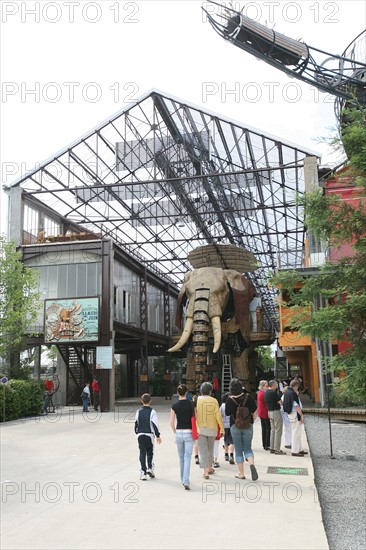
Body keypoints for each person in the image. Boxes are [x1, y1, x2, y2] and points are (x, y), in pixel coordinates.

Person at [225, 378, 258, 481]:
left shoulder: (229, 399)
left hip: (235, 426)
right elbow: (254, 410)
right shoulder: (248, 397)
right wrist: (252, 420)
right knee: (248, 448)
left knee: (238, 450)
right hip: (248, 426)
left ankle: (241, 473)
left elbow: (227, 413)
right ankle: (251, 464)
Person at [196, 382, 224, 480]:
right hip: (212, 429)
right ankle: (209, 467)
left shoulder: (196, 400)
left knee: (203, 450)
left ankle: (205, 472)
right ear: (210, 391)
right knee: (210, 449)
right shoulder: (214, 401)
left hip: (200, 429)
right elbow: (218, 416)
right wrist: (222, 428)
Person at [170, 384, 195, 490]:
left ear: (178, 392)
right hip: (189, 432)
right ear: (186, 392)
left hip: (179, 432)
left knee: (181, 458)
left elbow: (171, 422)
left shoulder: (174, 405)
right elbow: (196, 418)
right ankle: (186, 481)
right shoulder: (192, 404)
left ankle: (182, 479)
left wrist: (175, 432)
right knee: (187, 457)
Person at [134, 393, 162, 480]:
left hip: (140, 434)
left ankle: (143, 472)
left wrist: (136, 432)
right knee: (150, 452)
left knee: (142, 452)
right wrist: (158, 435)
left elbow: (136, 423)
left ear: (141, 401)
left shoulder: (138, 412)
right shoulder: (152, 412)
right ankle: (150, 468)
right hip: (149, 434)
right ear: (150, 401)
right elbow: (154, 424)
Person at [283, 380, 308, 457]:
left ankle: (299, 449)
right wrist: (301, 415)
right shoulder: (293, 393)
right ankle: (295, 451)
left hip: (290, 414)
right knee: (295, 433)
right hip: (294, 414)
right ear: (296, 386)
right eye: (298, 387)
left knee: (297, 432)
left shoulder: (286, 392)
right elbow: (296, 406)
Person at [264, 379, 285, 455]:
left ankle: (272, 447)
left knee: (272, 430)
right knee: (278, 430)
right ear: (273, 385)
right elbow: (280, 402)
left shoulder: (266, 393)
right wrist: (279, 402)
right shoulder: (273, 393)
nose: (276, 387)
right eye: (276, 386)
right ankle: (277, 449)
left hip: (269, 412)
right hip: (276, 412)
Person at [220, 392, 235, 465]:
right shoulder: (232, 405)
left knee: (225, 440)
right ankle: (231, 455)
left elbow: (220, 415)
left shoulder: (222, 406)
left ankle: (226, 454)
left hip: (224, 425)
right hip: (231, 424)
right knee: (232, 441)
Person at [257, 380, 271, 451]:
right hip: (265, 412)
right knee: (268, 428)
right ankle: (267, 444)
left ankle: (265, 444)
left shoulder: (259, 392)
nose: (267, 387)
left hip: (261, 412)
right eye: (266, 386)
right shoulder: (264, 394)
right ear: (263, 386)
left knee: (264, 428)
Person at [280, 384, 292, 449]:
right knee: (288, 428)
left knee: (287, 428)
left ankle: (288, 442)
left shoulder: (283, 396)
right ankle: (288, 442)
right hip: (285, 413)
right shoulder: (285, 396)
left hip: (284, 412)